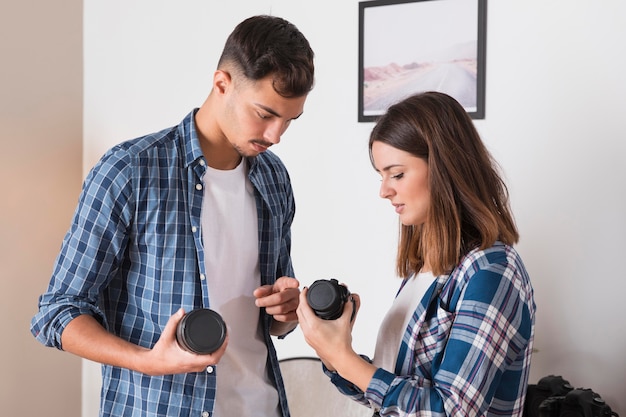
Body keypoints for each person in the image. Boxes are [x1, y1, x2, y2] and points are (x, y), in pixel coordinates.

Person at [31, 15, 314, 417]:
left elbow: (269, 322)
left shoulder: (273, 178)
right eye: (265, 114)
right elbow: (57, 312)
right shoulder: (130, 170)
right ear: (222, 84)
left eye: (289, 120)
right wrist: (147, 361)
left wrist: (285, 312)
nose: (276, 135)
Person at [297, 91, 535, 417]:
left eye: (396, 174)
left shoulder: (491, 272)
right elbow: (394, 395)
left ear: (444, 167)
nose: (384, 190)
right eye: (381, 176)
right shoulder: (424, 270)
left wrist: (344, 360)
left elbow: (450, 410)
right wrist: (333, 352)